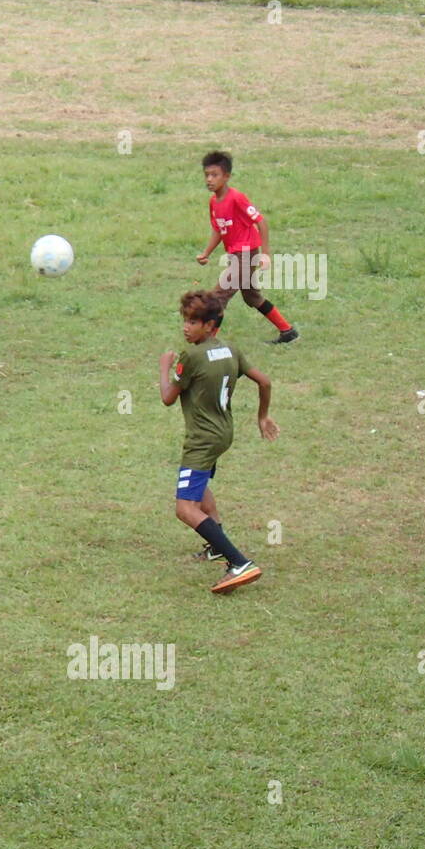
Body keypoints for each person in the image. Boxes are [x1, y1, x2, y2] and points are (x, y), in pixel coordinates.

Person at [159, 290, 279, 594]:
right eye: (185, 320)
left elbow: (168, 398)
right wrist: (262, 416)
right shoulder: (230, 350)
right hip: (224, 433)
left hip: (202, 440)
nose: (186, 327)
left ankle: (238, 562)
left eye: (194, 321)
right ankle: (216, 544)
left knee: (185, 508)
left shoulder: (192, 357)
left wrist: (164, 368)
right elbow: (264, 381)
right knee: (200, 488)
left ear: (212, 325)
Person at [196, 150, 299, 344]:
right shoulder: (213, 202)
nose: (209, 179)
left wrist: (265, 255)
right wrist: (206, 253)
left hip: (245, 254)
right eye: (206, 175)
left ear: (226, 176)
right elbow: (219, 229)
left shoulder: (236, 198)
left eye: (215, 175)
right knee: (252, 297)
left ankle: (207, 345)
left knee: (216, 298)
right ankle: (288, 331)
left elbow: (261, 222)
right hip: (235, 255)